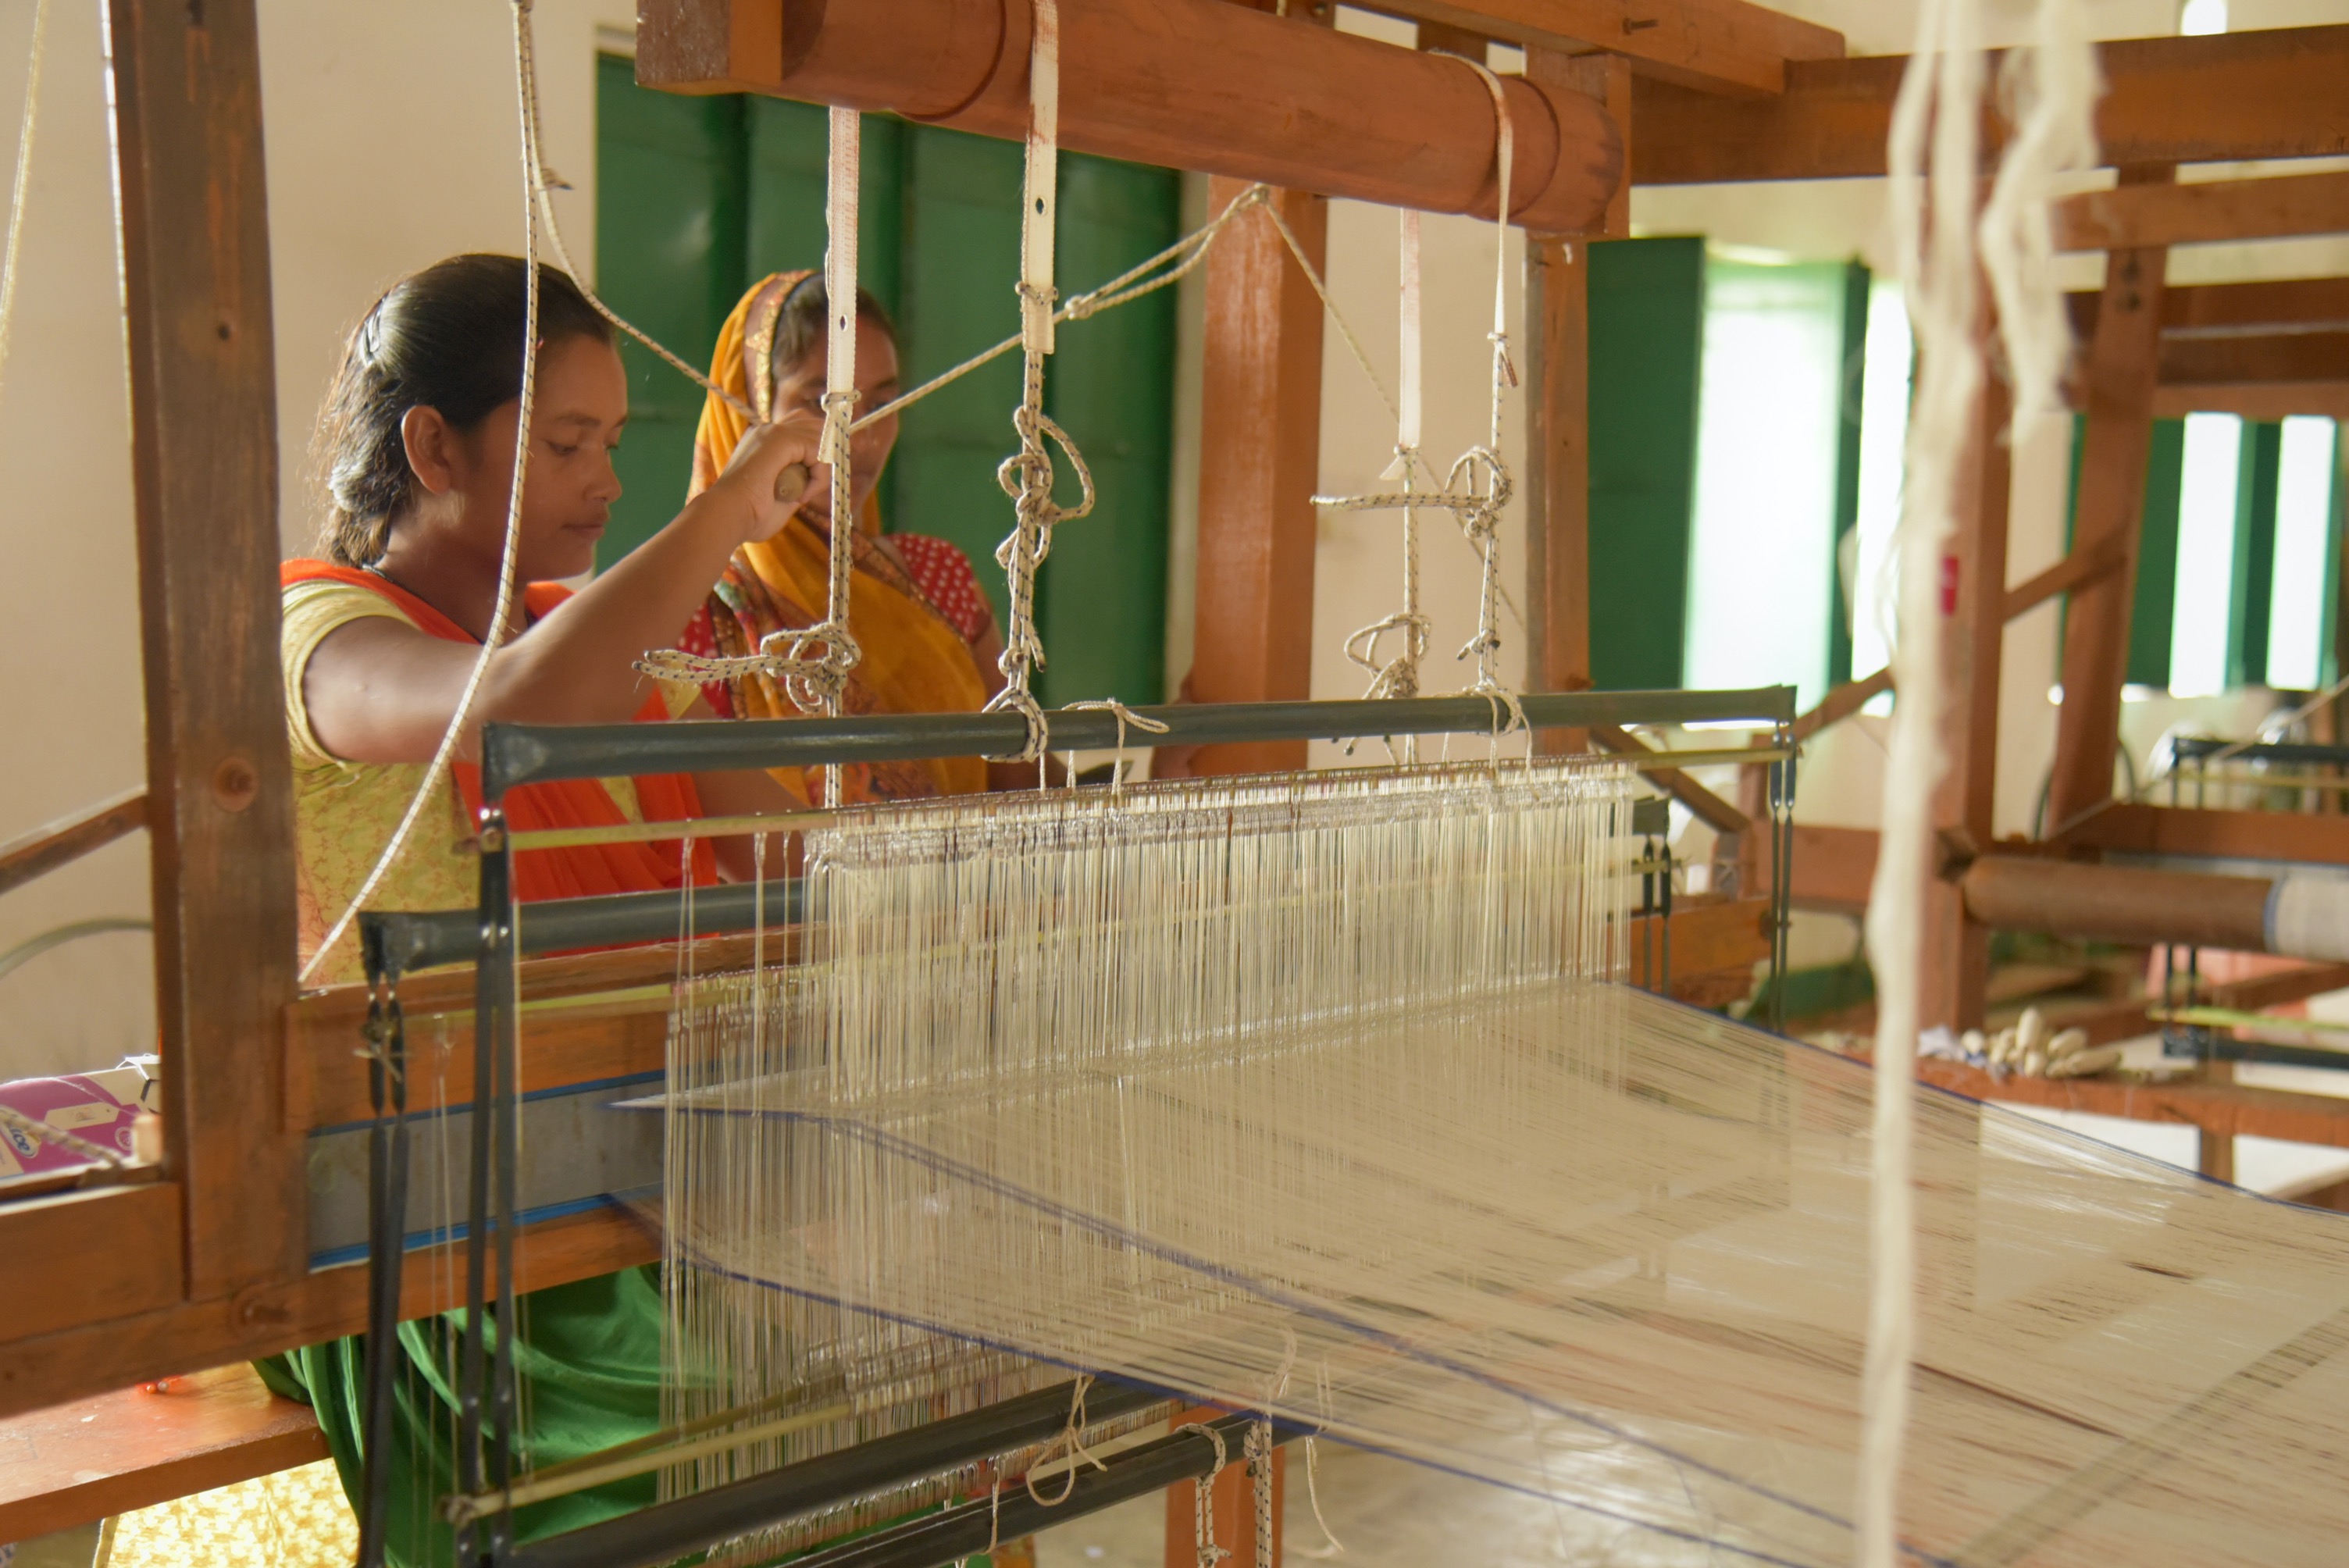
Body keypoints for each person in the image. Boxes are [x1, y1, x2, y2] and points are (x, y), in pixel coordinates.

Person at [263, 255, 1032, 1567]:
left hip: (614, 1180)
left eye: (613, 441)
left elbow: (801, 847)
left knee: (916, 1438)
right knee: (733, 1469)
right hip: (425, 1227)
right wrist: (733, 510)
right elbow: (509, 713)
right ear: (433, 443)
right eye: (567, 442)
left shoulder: (586, 639)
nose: (607, 479)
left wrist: (1020, 905)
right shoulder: (317, 635)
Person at [673, 267, 1032, 800]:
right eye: (824, 406)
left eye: (883, 405)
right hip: (794, 887)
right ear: (745, 413)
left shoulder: (939, 578)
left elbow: (1023, 793)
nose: (860, 440)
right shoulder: (692, 617)